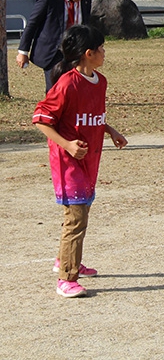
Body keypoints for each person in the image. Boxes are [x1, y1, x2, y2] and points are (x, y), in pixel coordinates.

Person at [32, 24, 127, 298]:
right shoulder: (67, 84)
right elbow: (41, 120)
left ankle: (66, 259)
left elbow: (90, 115)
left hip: (90, 161)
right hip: (68, 162)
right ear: (88, 53)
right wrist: (68, 145)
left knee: (81, 213)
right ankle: (66, 278)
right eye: (101, 49)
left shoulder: (101, 81)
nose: (104, 53)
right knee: (76, 218)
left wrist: (110, 130)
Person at [17, 0, 96, 92]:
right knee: (55, 89)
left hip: (75, 51)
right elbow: (32, 24)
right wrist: (23, 51)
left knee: (75, 87)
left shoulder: (86, 0)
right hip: (53, 52)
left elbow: (85, 24)